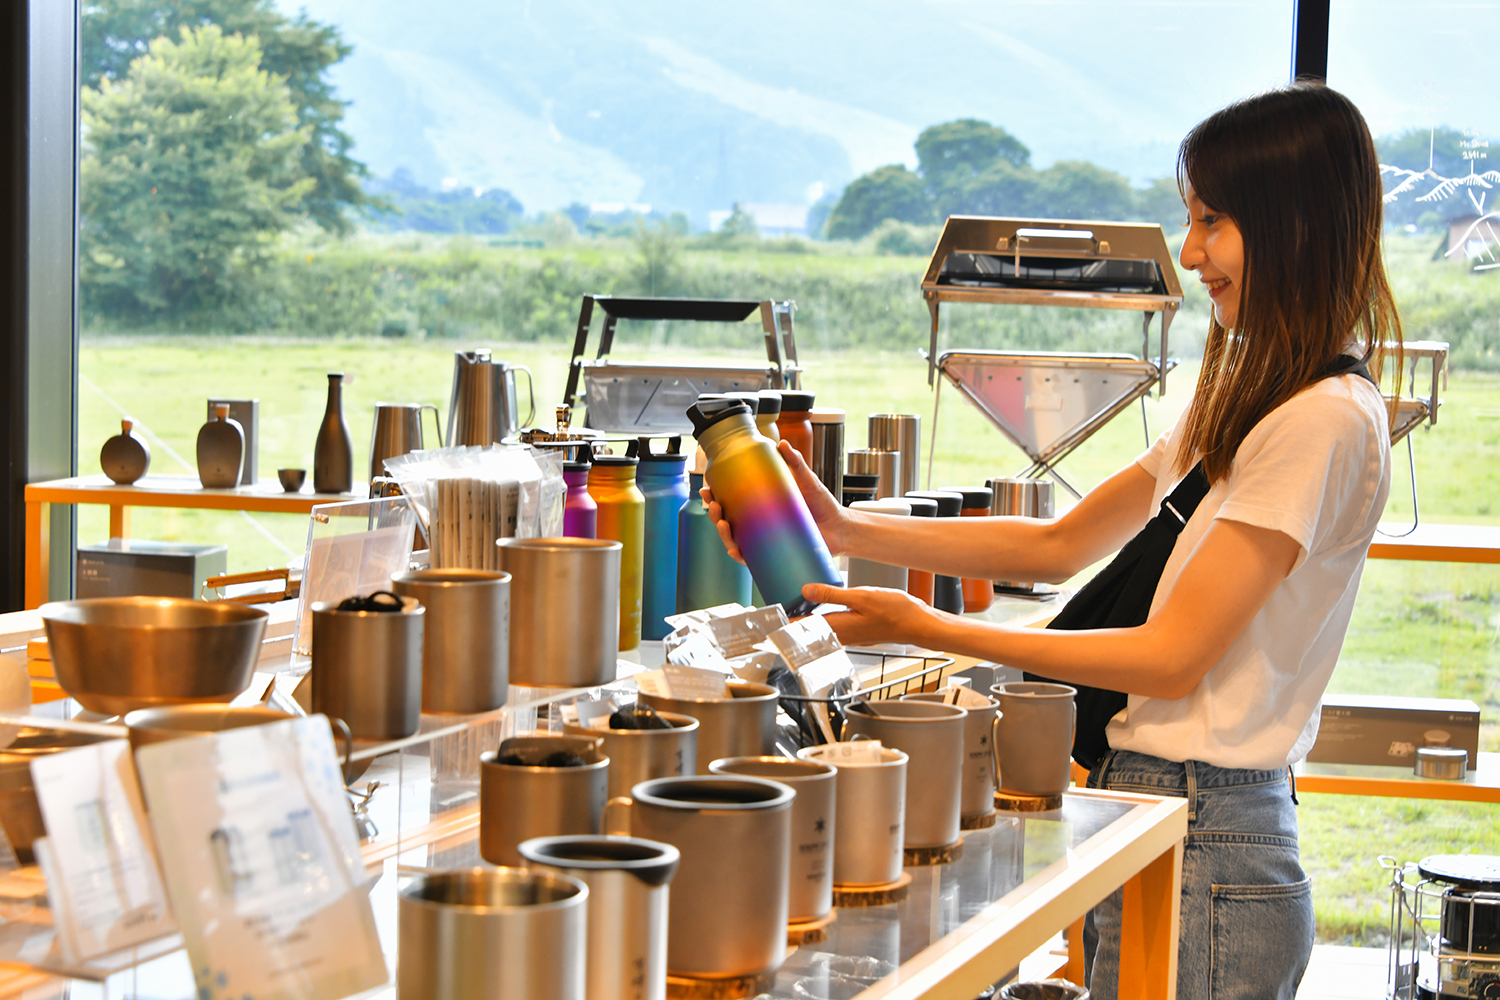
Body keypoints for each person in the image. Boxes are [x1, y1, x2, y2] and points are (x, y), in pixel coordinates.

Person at [705, 83, 1399, 1000]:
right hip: (1162, 808)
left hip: (1214, 836)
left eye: (1214, 222)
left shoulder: (1323, 421)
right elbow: (1061, 542)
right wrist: (840, 526)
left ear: (1295, 223)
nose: (1191, 255)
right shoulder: (1249, 401)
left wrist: (928, 628)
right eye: (1188, 222)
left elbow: (1171, 655)